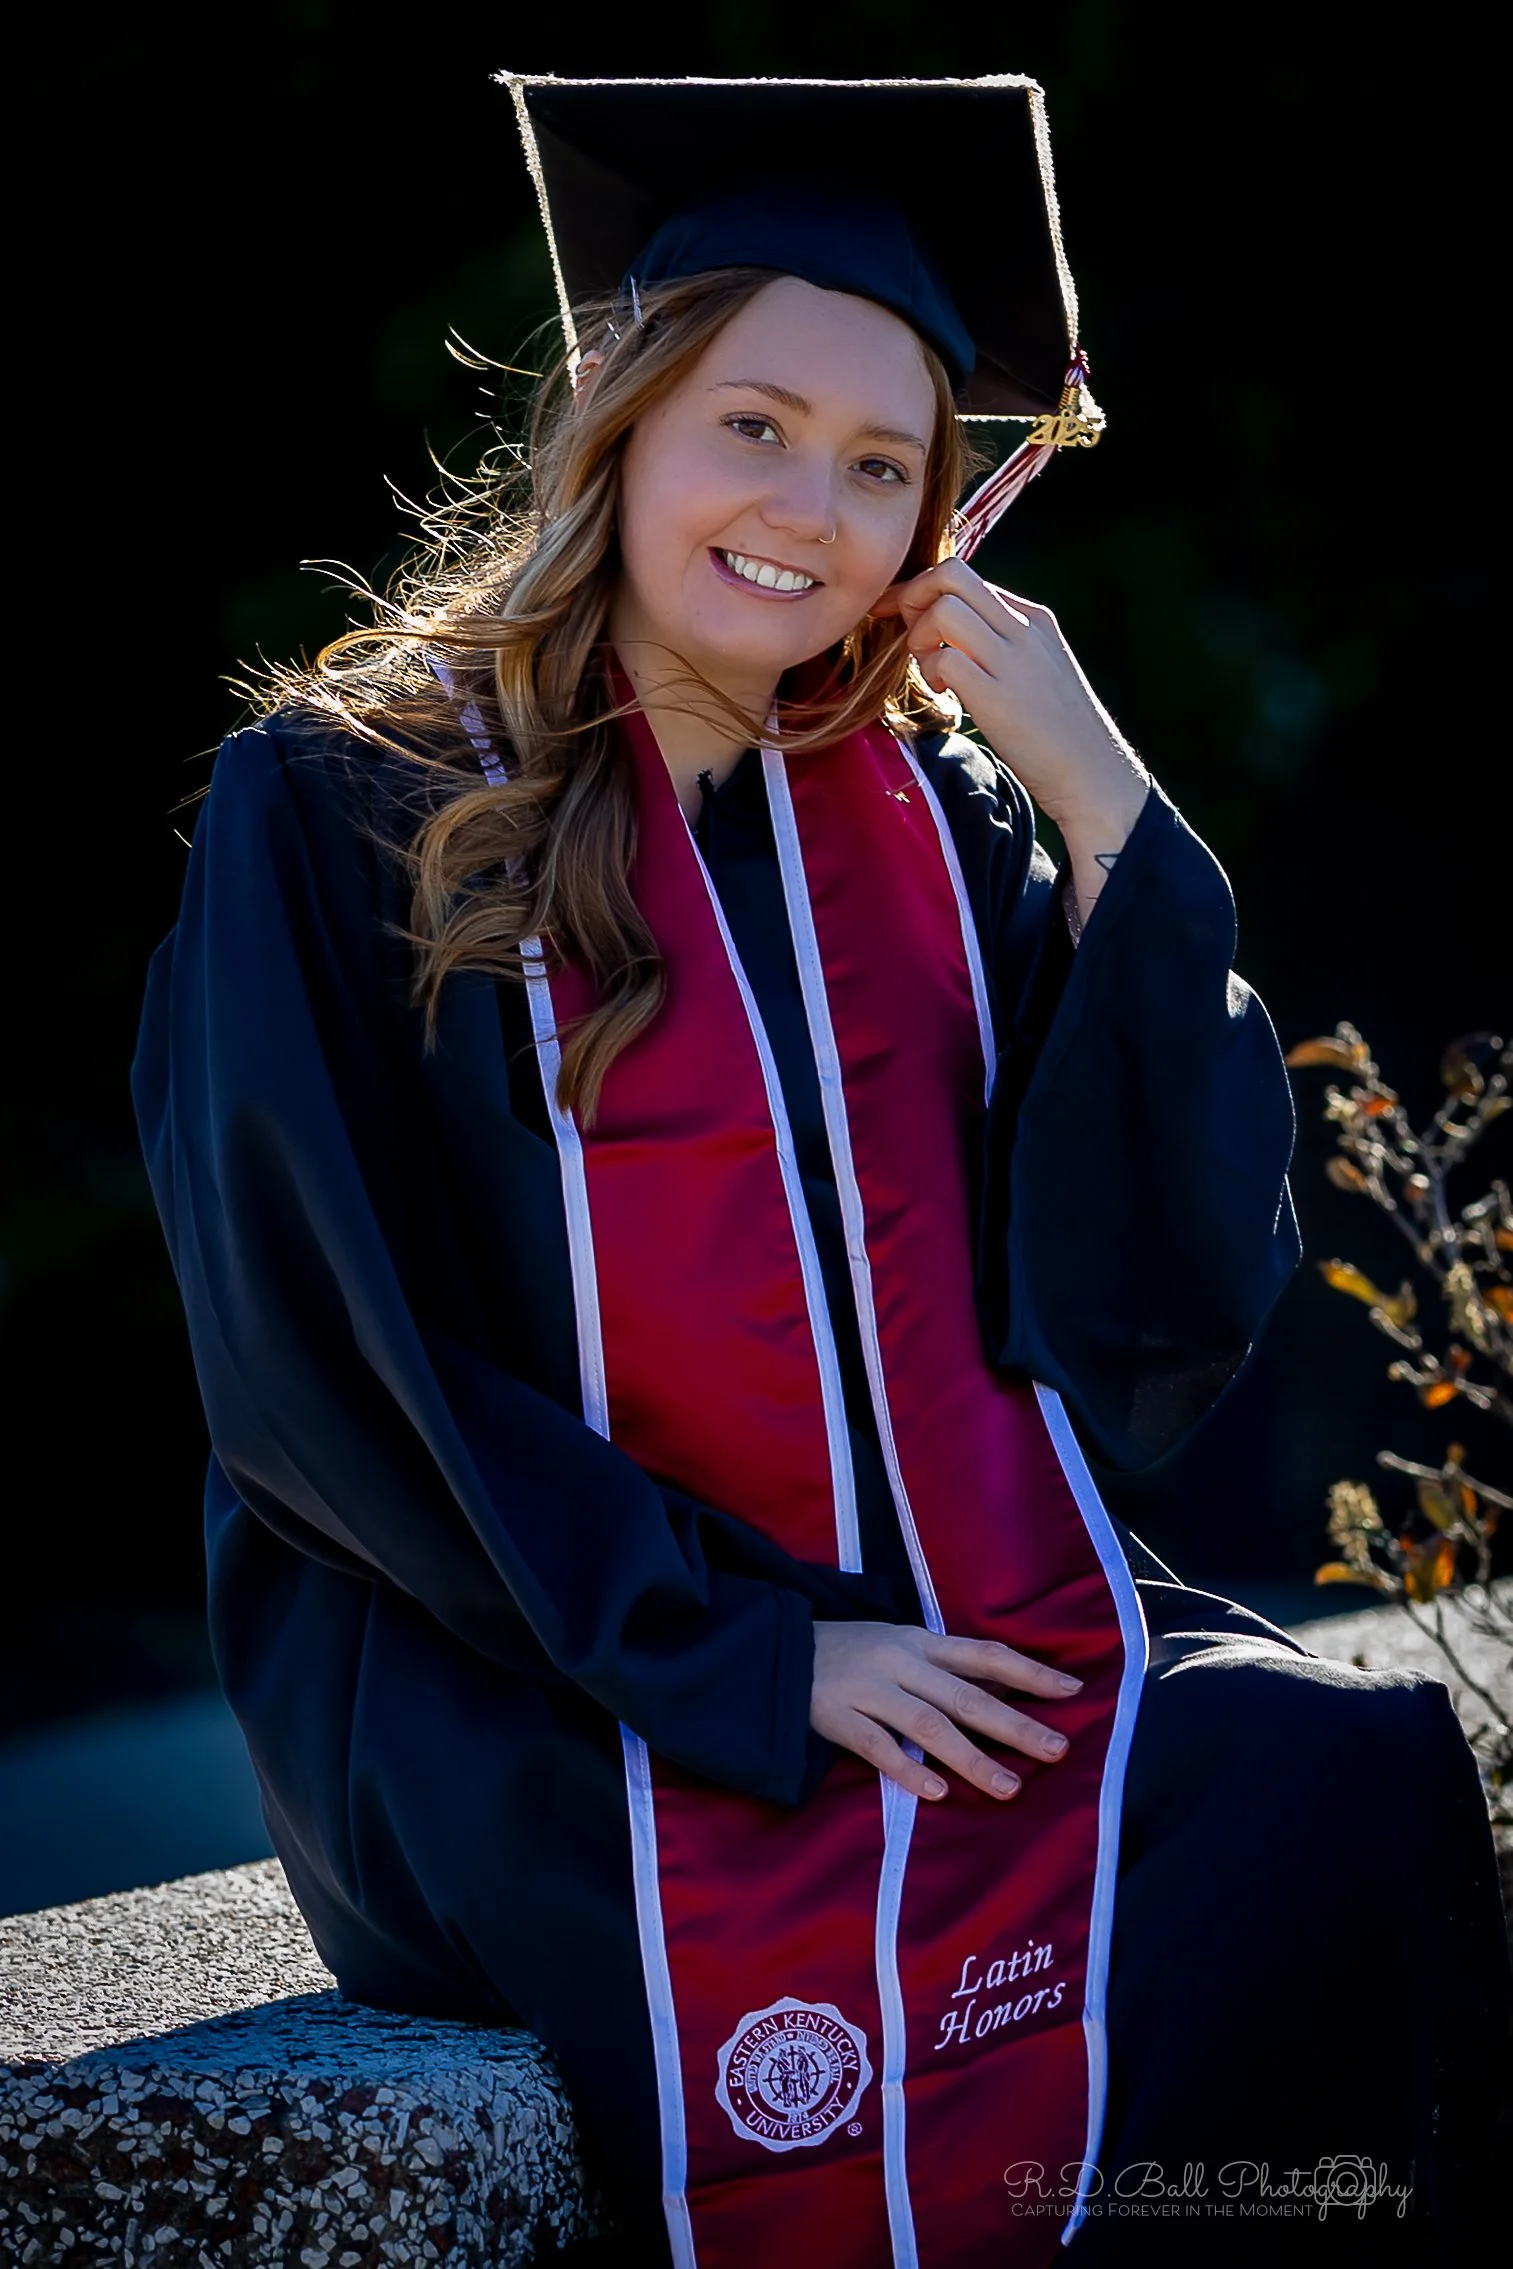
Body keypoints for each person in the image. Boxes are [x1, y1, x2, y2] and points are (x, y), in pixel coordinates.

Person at [131, 71, 1508, 2268]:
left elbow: (1141, 1301)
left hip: (928, 1607)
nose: (812, 504)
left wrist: (1114, 830)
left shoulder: (930, 833)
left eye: (885, 464)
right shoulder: (353, 801)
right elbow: (317, 1364)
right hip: (517, 1669)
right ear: (623, 411)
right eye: (754, 424)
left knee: (1336, 1789)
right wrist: (752, 1661)